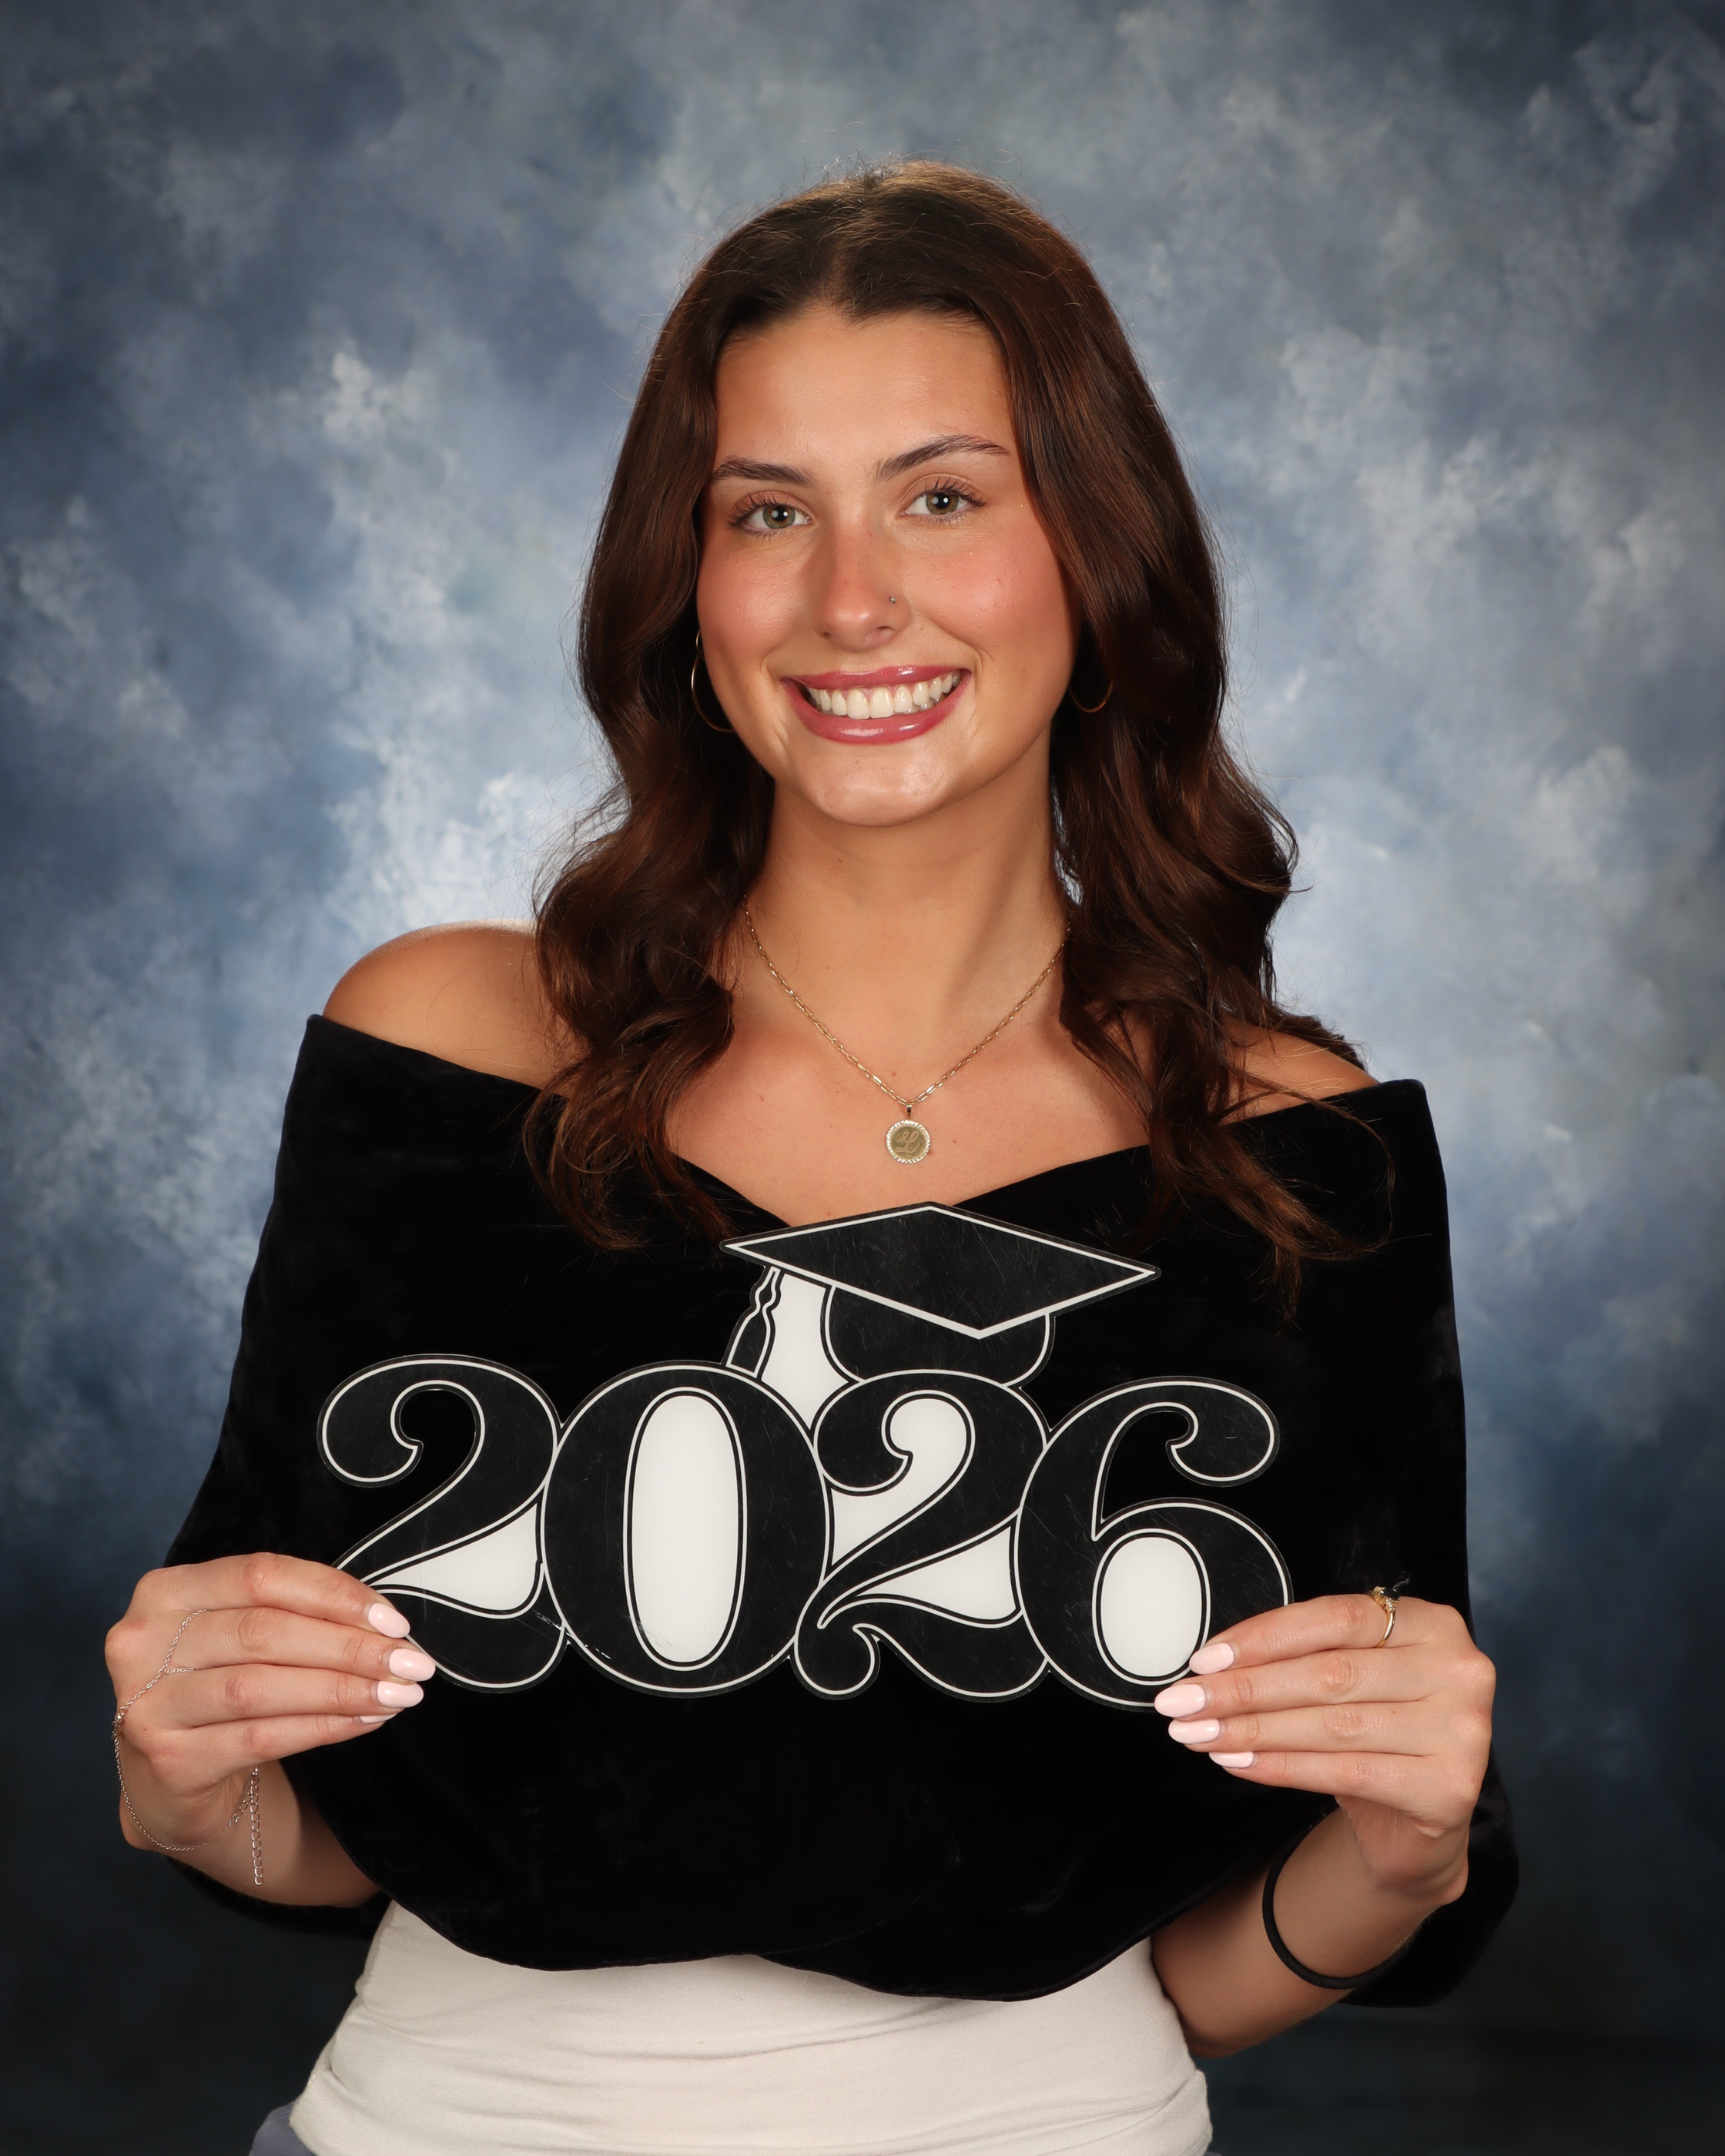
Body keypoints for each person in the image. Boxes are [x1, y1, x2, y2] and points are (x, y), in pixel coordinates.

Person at [106, 162, 1513, 2156]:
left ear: (1097, 560)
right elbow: (327, 1830)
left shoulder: (1289, 1160)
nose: (853, 599)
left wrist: (1400, 1849)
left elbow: (1190, 1976)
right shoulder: (444, 1052)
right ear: (686, 593)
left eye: (943, 497)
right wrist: (186, 1785)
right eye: (768, 511)